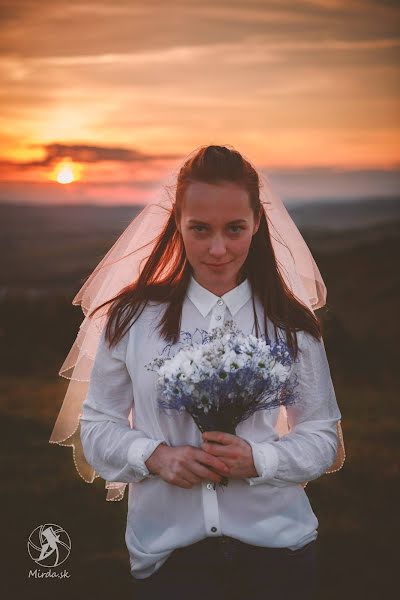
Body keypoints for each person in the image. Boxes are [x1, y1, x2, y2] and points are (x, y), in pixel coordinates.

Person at [50, 144, 345, 599]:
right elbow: (96, 428)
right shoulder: (131, 319)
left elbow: (322, 437)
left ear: (257, 225)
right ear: (178, 223)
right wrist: (156, 456)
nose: (218, 248)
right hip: (168, 559)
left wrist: (260, 460)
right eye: (200, 229)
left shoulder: (292, 323)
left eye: (235, 229)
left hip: (278, 555)